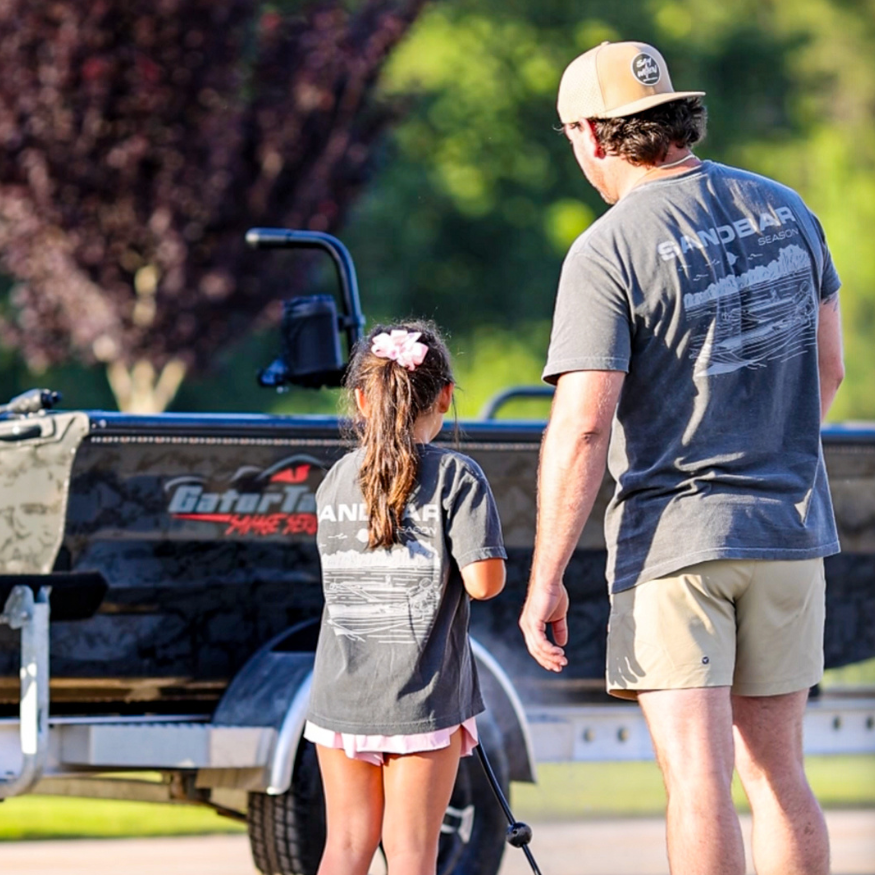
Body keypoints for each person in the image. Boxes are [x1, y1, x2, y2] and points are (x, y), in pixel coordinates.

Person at [519, 40, 844, 875]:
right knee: (779, 780)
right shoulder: (785, 208)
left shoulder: (605, 249)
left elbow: (584, 426)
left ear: (593, 133)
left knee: (697, 784)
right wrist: (768, 448)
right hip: (788, 528)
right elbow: (829, 364)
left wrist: (546, 573)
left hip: (675, 542)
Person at [304, 321, 507, 875]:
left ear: (364, 400)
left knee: (345, 845)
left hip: (340, 695)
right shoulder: (457, 477)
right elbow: (485, 583)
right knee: (412, 852)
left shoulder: (337, 479)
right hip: (420, 697)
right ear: (444, 396)